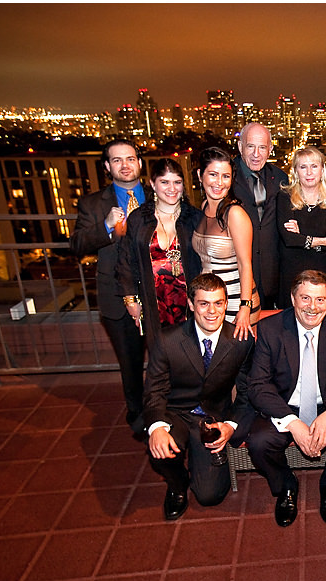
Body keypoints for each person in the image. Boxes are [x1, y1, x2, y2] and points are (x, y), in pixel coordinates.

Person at [246, 270, 326, 527]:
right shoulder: (270, 328)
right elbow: (257, 385)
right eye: (305, 298)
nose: (312, 307)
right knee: (259, 442)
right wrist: (291, 422)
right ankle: (286, 487)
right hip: (284, 406)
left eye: (320, 299)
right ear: (293, 298)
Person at [143, 274, 255, 520]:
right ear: (191, 304)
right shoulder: (167, 340)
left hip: (214, 417)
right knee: (161, 446)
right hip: (177, 413)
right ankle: (176, 483)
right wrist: (156, 427)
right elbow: (154, 390)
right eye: (204, 303)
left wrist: (230, 426)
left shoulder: (241, 340)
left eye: (218, 303)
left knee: (209, 496)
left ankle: (198, 459)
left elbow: (248, 393)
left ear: (226, 304)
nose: (212, 311)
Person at [69, 139, 151, 435]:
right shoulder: (93, 204)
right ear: (107, 166)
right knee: (130, 364)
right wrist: (104, 226)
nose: (125, 165)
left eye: (130, 158)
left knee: (167, 360)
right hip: (117, 298)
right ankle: (139, 420)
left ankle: (166, 414)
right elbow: (76, 245)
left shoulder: (161, 194)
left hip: (161, 295)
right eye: (117, 160)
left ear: (140, 162)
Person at [117, 159, 202, 351]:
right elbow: (126, 260)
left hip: (189, 301)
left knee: (191, 355)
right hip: (153, 300)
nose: (172, 188)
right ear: (153, 184)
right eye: (165, 182)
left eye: (177, 182)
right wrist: (131, 300)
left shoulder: (195, 218)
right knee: (161, 356)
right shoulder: (139, 218)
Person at [192, 146, 260, 340]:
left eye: (226, 176)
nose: (219, 183)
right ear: (200, 175)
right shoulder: (204, 207)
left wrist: (244, 307)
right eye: (213, 174)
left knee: (237, 364)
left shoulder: (235, 214)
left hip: (235, 301)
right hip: (209, 302)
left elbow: (245, 264)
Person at [277, 146, 326, 308]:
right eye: (303, 167)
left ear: (322, 170)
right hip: (291, 274)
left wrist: (304, 237)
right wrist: (325, 240)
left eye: (314, 166)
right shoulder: (285, 197)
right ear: (295, 171)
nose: (309, 172)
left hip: (321, 274)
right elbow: (290, 240)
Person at [233, 122, 289, 309]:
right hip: (236, 274)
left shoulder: (281, 178)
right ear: (240, 146)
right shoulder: (226, 176)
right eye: (251, 146)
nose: (256, 154)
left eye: (262, 147)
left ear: (270, 149)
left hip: (272, 273)